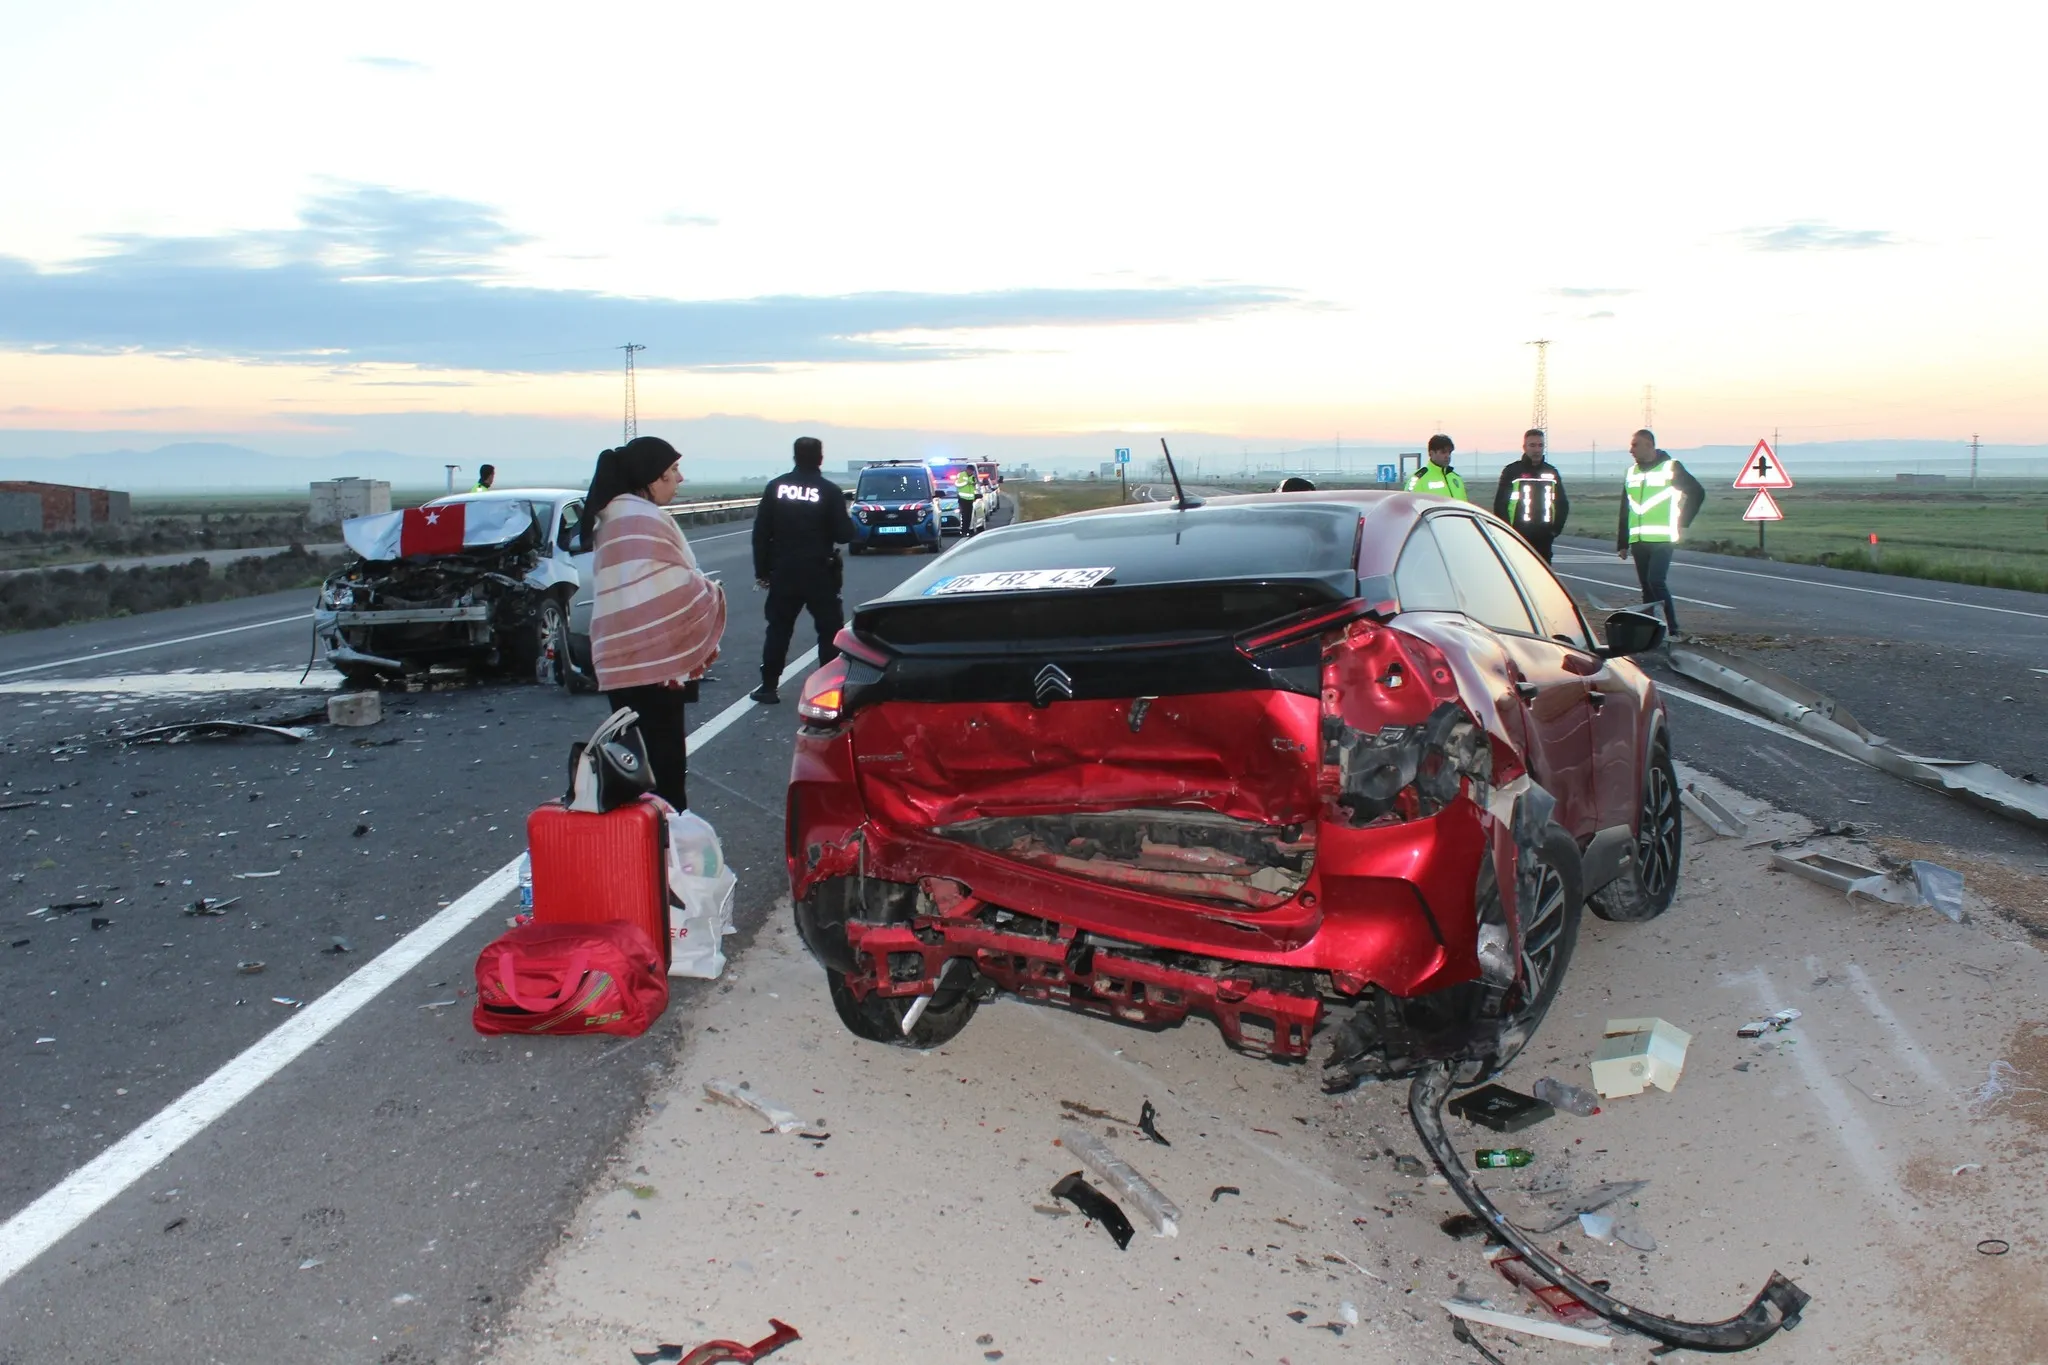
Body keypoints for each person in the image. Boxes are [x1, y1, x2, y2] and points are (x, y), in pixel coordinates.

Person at [584, 436, 726, 810]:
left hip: (617, 659)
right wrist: (711, 592)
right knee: (666, 768)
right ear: (652, 477)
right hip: (654, 665)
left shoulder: (610, 516)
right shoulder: (646, 518)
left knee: (632, 764)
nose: (680, 478)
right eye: (673, 470)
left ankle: (638, 837)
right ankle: (668, 837)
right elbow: (673, 588)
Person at [751, 436, 856, 704]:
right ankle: (828, 690)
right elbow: (845, 535)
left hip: (784, 571)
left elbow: (761, 533)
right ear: (820, 458)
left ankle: (769, 687)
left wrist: (762, 571)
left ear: (795, 457)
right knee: (829, 631)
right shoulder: (829, 491)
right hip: (819, 573)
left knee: (779, 629)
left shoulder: (776, 487)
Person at [1615, 429, 1705, 637]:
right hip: (1638, 539)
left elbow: (1697, 492)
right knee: (1646, 587)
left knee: (1656, 581)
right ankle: (1650, 631)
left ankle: (1673, 629)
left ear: (1649, 445)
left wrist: (1683, 522)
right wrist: (1622, 542)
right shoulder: (1632, 472)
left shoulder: (1670, 468)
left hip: (1662, 538)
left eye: (1635, 445)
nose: (1631, 450)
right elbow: (1625, 508)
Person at [1491, 429, 1570, 561]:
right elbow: (1500, 505)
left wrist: (1554, 531)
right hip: (1517, 537)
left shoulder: (1551, 472)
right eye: (1532, 445)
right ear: (1524, 447)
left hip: (1544, 539)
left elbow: (1562, 504)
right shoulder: (1512, 471)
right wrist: (1508, 531)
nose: (1537, 450)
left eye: (1540, 445)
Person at [1405, 435, 1468, 500]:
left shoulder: (1456, 478)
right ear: (1431, 453)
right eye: (1443, 452)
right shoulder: (1419, 479)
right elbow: (1408, 502)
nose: (1447, 456)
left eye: (1449, 452)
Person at [952, 466, 981, 535]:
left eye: (972, 471)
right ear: (967, 470)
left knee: (969, 516)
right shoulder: (961, 475)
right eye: (969, 471)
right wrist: (966, 482)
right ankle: (963, 531)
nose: (970, 472)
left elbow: (974, 486)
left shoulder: (973, 477)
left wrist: (974, 484)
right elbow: (957, 484)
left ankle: (967, 530)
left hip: (970, 499)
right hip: (962, 498)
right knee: (964, 516)